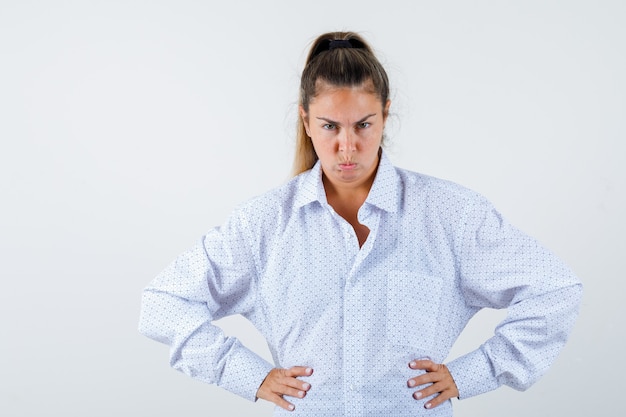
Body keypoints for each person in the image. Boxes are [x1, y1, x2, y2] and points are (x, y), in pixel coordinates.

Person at [138, 31, 582, 416]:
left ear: (386, 115)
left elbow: (554, 289)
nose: (347, 146)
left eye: (363, 125)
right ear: (306, 120)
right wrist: (249, 375)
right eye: (330, 126)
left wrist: (473, 373)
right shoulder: (264, 224)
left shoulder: (450, 214)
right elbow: (163, 303)